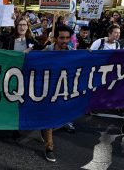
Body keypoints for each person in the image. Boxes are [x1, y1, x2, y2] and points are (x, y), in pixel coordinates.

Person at [42, 25, 75, 162]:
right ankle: (49, 147)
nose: (65, 41)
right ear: (56, 38)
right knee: (49, 117)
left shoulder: (72, 52)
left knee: (55, 117)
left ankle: (43, 129)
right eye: (62, 38)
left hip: (62, 90)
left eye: (67, 38)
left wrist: (89, 55)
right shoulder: (46, 51)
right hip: (46, 90)